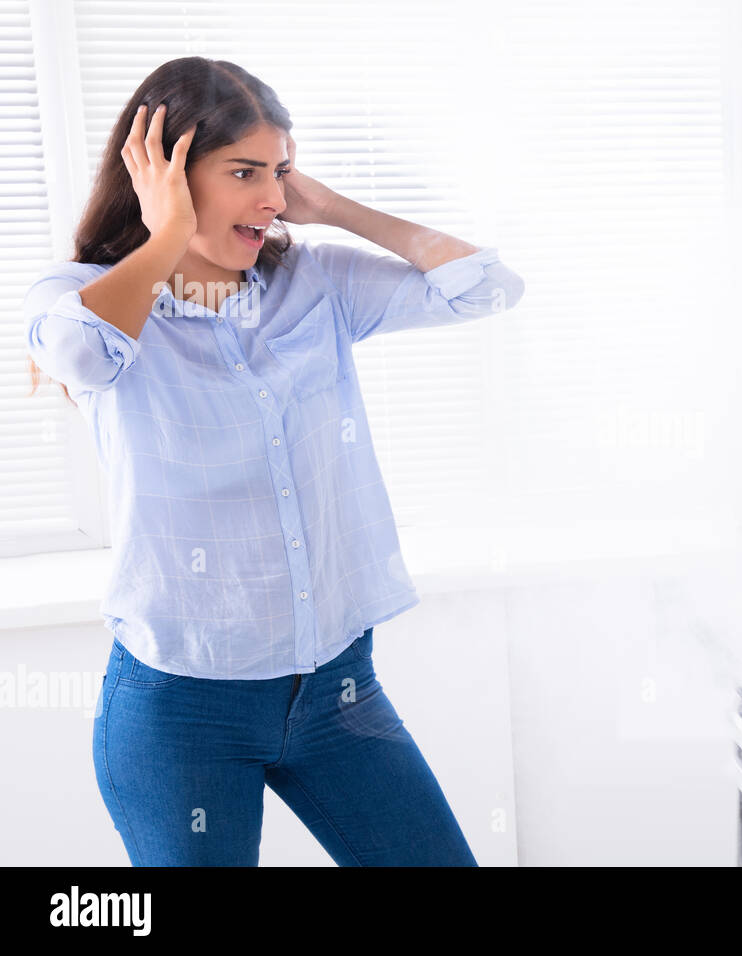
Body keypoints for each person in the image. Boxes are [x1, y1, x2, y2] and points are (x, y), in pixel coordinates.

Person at [21, 57, 524, 866]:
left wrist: (326, 204)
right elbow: (80, 355)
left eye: (281, 173)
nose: (273, 199)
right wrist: (166, 240)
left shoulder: (314, 284)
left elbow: (488, 287)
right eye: (245, 172)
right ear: (170, 180)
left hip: (338, 695)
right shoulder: (85, 294)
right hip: (183, 710)